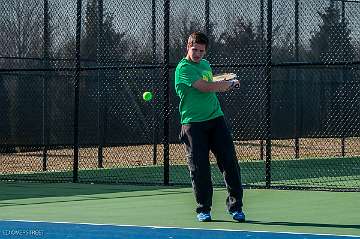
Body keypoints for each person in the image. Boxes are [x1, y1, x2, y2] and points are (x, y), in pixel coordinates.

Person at [174, 32, 245, 222]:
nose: (197, 54)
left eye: (201, 51)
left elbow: (210, 81)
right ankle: (203, 209)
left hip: (216, 119)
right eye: (194, 49)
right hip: (193, 125)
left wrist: (223, 81)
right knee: (200, 168)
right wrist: (227, 85)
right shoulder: (183, 68)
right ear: (187, 47)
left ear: (205, 51)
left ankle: (236, 207)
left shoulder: (204, 65)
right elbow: (203, 87)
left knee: (230, 162)